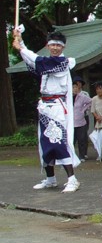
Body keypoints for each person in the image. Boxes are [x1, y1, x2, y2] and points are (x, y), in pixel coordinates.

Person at [13, 30, 81, 192]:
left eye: (58, 45)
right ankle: (50, 178)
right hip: (44, 106)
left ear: (63, 47)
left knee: (58, 142)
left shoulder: (63, 62)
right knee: (45, 144)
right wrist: (20, 43)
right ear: (47, 46)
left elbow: (37, 60)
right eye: (52, 45)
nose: (55, 48)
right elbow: (32, 63)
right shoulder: (45, 64)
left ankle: (72, 179)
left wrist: (21, 48)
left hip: (57, 107)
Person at [72, 76, 91, 161]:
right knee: (72, 139)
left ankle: (82, 155)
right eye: (73, 86)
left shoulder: (83, 95)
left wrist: (83, 110)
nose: (75, 88)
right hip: (71, 120)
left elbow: (90, 101)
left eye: (77, 86)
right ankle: (71, 155)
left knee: (82, 138)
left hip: (82, 118)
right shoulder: (68, 96)